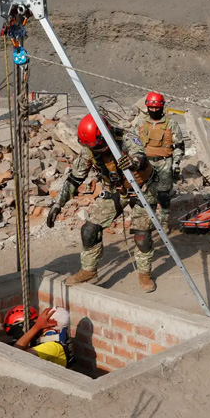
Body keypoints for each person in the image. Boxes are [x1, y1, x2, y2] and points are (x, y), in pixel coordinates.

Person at [46, 114, 159, 292]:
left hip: (142, 188)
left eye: (99, 146)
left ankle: (144, 273)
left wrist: (133, 161)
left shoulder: (127, 139)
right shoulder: (89, 150)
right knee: (89, 230)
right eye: (92, 147)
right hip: (116, 190)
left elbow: (140, 157)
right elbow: (75, 178)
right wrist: (58, 204)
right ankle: (89, 270)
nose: (96, 150)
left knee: (141, 235)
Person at [137, 92, 185, 232]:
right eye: (151, 108)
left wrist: (176, 162)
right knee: (147, 195)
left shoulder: (171, 123)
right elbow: (133, 142)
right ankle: (150, 221)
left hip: (165, 162)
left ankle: (164, 221)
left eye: (156, 108)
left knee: (163, 195)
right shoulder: (141, 123)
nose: (153, 111)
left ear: (162, 107)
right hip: (146, 164)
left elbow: (178, 145)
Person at [4, 306, 70, 367]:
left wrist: (37, 327)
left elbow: (16, 353)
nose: (38, 320)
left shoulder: (52, 347)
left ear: (52, 324)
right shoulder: (54, 340)